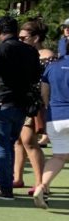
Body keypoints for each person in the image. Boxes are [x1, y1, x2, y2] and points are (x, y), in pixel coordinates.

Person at [0, 16, 42, 200]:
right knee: (9, 144)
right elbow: (35, 78)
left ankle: (4, 187)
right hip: (22, 105)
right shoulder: (30, 51)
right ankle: (6, 183)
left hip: (1, 104)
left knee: (2, 147)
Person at [12, 18, 50, 193]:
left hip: (36, 103)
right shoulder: (23, 53)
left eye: (24, 37)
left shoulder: (47, 55)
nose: (20, 41)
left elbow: (47, 83)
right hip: (21, 100)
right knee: (19, 140)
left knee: (29, 141)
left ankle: (41, 184)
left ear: (35, 38)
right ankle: (18, 178)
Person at [33, 51, 69, 209]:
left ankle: (42, 186)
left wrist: (48, 108)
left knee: (59, 157)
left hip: (56, 116)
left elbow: (44, 93)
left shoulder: (52, 67)